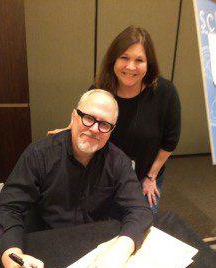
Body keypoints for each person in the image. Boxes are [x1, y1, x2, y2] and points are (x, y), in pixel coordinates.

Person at [0, 89, 153, 268]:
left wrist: (119, 251)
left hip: (97, 251)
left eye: (104, 124)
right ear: (74, 116)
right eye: (88, 118)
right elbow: (9, 210)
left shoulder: (118, 161)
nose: (94, 129)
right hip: (45, 251)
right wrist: (12, 259)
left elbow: (140, 210)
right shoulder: (38, 154)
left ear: (111, 130)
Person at [48, 26, 181, 214]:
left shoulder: (165, 93)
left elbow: (170, 141)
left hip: (145, 175)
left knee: (141, 228)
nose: (131, 67)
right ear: (114, 59)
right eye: (124, 58)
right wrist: (69, 129)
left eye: (139, 60)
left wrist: (151, 177)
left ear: (148, 63)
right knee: (102, 227)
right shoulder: (100, 88)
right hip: (104, 176)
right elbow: (83, 118)